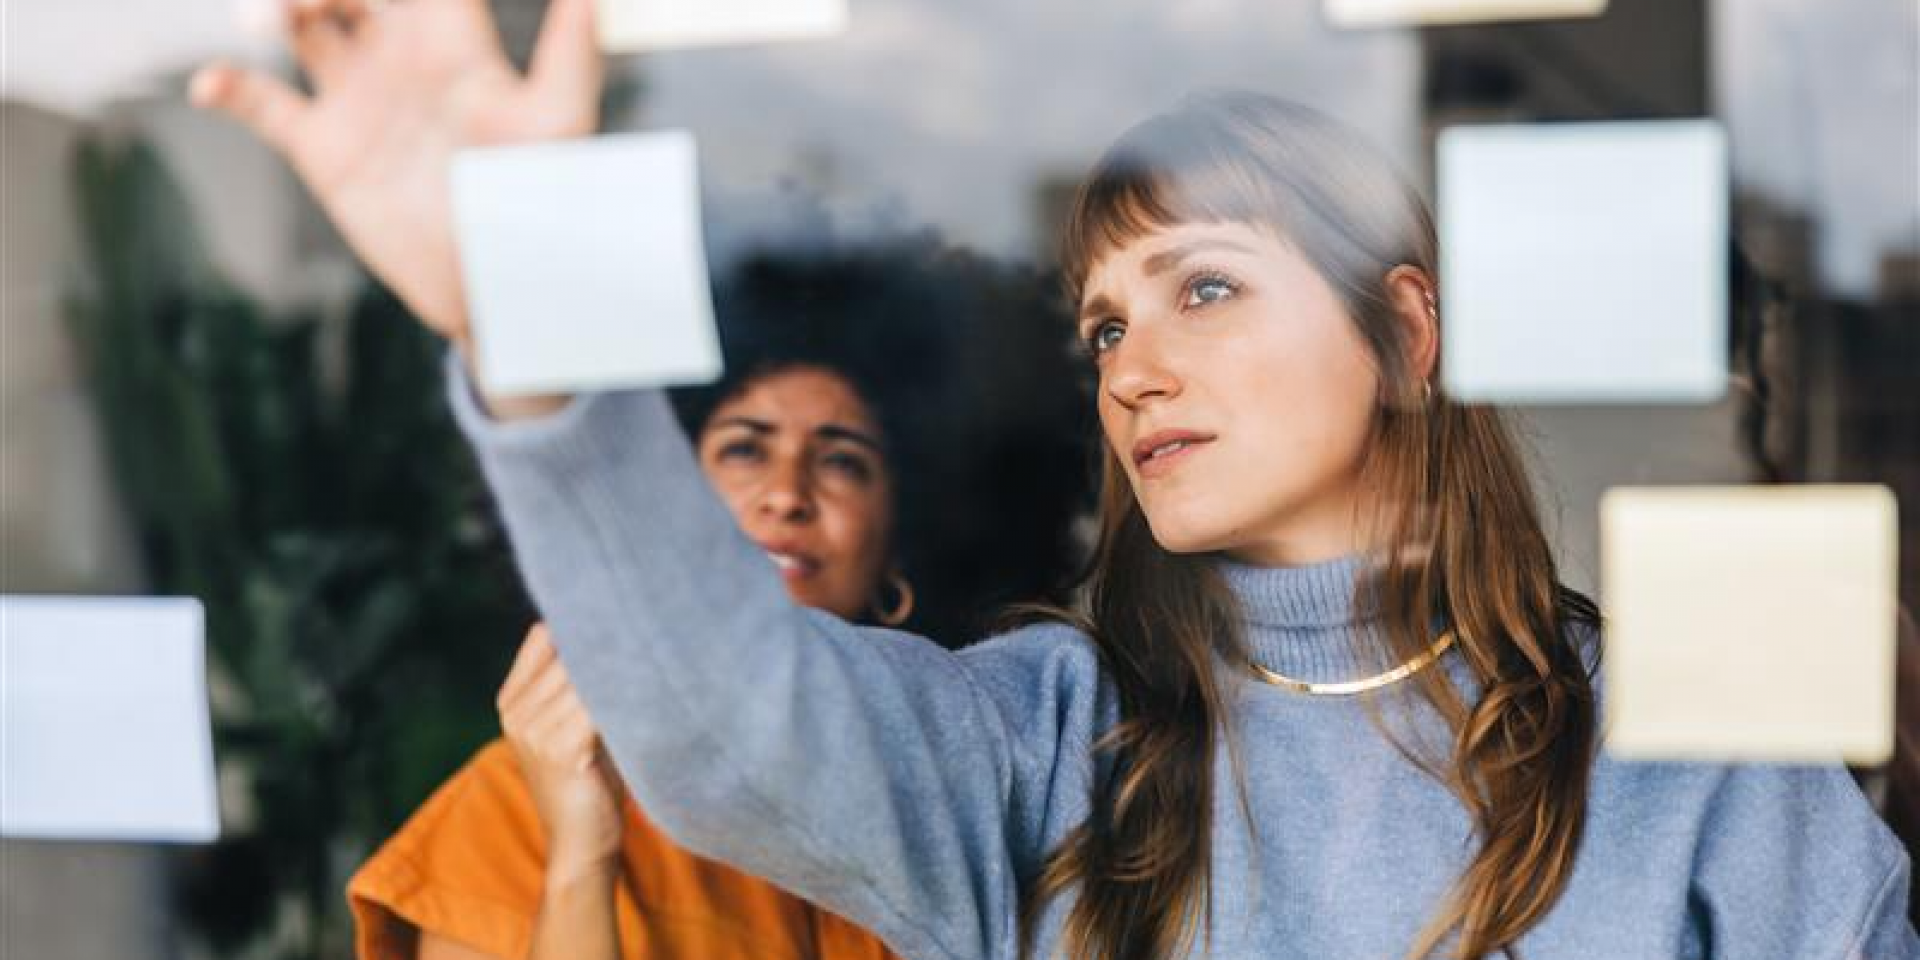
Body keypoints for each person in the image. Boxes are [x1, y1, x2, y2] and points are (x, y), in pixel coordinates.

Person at [195, 1, 1919, 956]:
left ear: (1406, 334)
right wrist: (530, 334)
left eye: (1207, 288)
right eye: (1102, 328)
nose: (1137, 366)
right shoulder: (1045, 740)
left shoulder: (1676, 758)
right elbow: (722, 721)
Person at [344, 236, 1092, 960]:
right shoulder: (508, 809)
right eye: (745, 447)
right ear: (666, 514)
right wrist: (581, 849)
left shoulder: (962, 811)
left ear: (902, 555)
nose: (787, 493)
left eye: (841, 461)